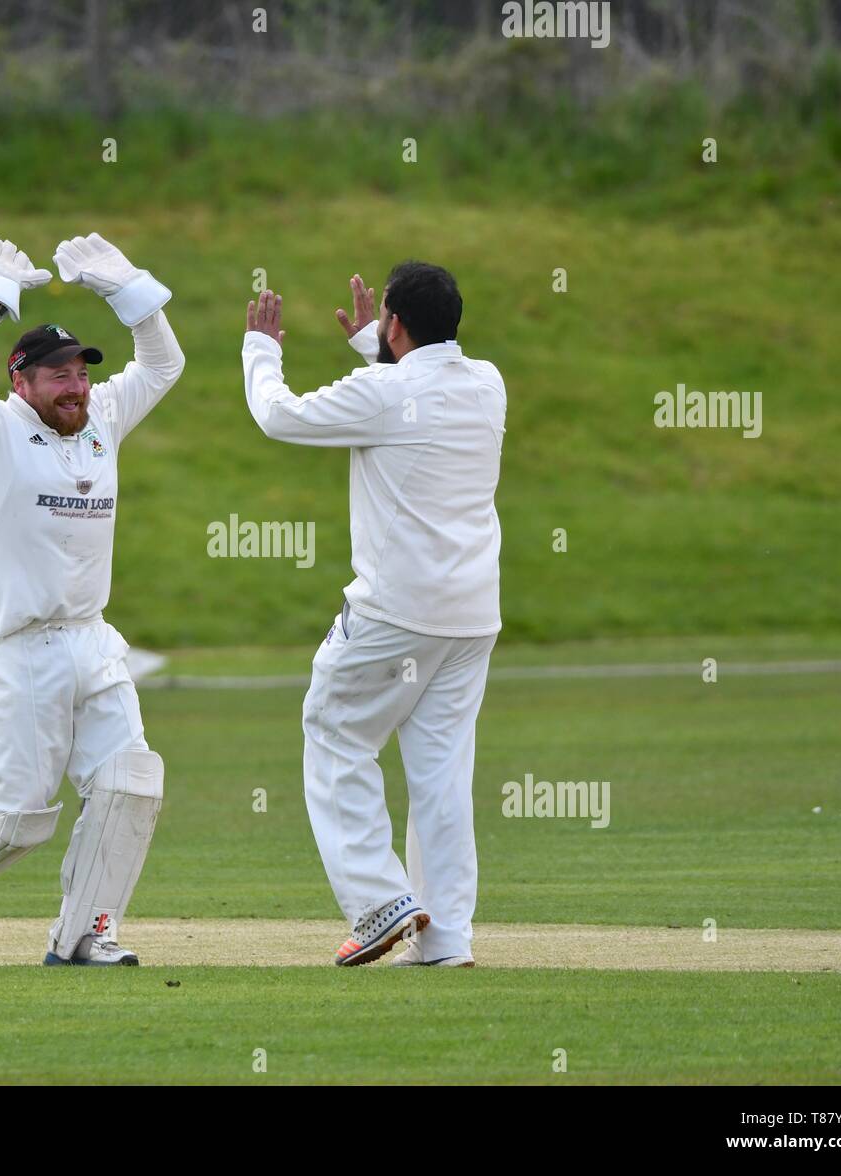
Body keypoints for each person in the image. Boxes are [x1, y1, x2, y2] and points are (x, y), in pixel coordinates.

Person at [0, 231, 184, 966]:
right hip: (17, 643)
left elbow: (165, 363)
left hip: (91, 638)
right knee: (21, 818)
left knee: (132, 781)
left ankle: (85, 935)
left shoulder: (101, 421)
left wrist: (127, 286)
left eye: (81, 372)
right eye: (58, 374)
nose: (75, 385)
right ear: (20, 380)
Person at [241, 264, 506, 967]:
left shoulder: (383, 391)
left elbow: (278, 416)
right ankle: (445, 938)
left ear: (395, 323)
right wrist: (374, 343)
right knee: (442, 774)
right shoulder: (488, 383)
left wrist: (260, 350)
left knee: (335, 732)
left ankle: (379, 900)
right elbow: (421, 399)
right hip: (472, 617)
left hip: (397, 613)